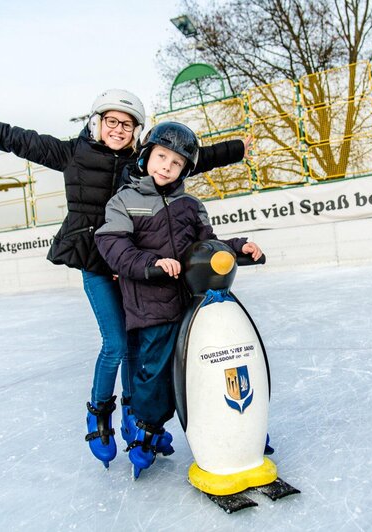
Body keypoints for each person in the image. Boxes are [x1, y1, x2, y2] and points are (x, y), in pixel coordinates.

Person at [0, 91, 250, 468]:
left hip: (136, 261)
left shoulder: (143, 162)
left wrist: (235, 149)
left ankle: (137, 419)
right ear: (97, 123)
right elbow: (19, 140)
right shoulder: (73, 154)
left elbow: (189, 159)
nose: (118, 130)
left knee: (138, 344)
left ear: (137, 132)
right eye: (111, 121)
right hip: (97, 262)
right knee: (116, 344)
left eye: (127, 124)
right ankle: (100, 411)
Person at [94, 122, 263, 478]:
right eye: (161, 157)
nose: (166, 167)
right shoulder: (123, 202)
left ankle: (235, 427)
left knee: (210, 368)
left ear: (185, 169)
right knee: (155, 376)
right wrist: (151, 265)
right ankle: (147, 430)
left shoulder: (190, 204)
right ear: (146, 156)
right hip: (151, 307)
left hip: (192, 304)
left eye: (175, 163)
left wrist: (238, 248)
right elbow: (114, 248)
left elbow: (207, 245)